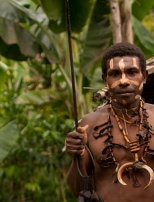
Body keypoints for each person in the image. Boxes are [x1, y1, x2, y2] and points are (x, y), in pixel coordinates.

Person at [66, 42, 154, 202]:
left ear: (145, 76)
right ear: (105, 79)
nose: (123, 81)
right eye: (115, 74)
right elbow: (77, 189)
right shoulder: (89, 125)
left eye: (131, 72)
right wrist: (76, 155)